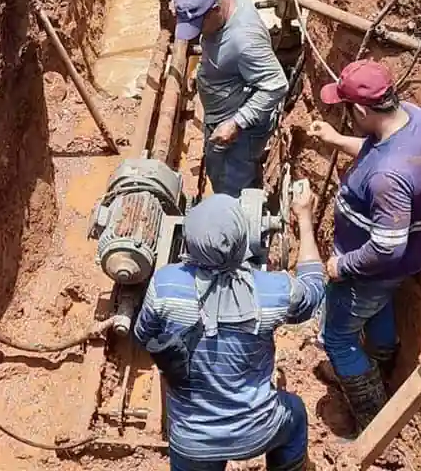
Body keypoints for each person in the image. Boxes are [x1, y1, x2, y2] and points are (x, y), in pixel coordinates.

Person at [134, 189, 325, 471]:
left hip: (194, 440)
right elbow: (314, 290)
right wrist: (305, 218)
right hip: (258, 429)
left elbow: (143, 336)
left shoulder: (164, 285)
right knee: (294, 412)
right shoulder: (274, 291)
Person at [307, 60, 421, 431]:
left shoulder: (388, 178)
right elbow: (374, 151)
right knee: (378, 307)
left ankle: (372, 418)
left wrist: (342, 265)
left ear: (362, 110)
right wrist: (336, 139)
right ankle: (380, 363)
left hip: (371, 270)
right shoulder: (414, 118)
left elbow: (385, 248)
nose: (346, 115)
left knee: (338, 337)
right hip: (396, 269)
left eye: (347, 109)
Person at [172, 0, 288, 198]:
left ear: (215, 10)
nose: (196, 34)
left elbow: (276, 85)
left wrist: (236, 123)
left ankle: (238, 208)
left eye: (199, 26)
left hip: (239, 130)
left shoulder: (244, 41)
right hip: (224, 110)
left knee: (230, 185)